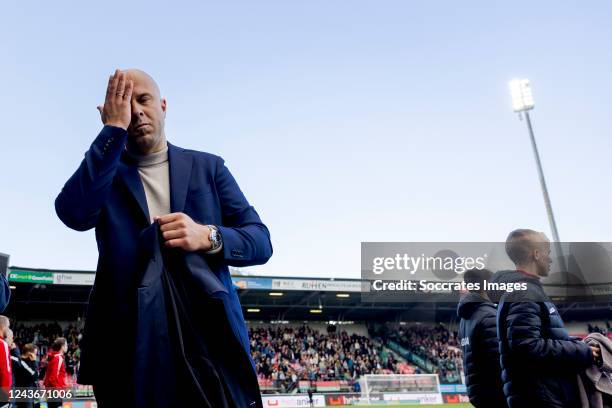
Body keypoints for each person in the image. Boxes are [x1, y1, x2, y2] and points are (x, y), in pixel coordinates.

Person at [55, 69, 272, 407]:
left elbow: (260, 240)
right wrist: (112, 131)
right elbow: (73, 214)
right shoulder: (104, 172)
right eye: (126, 104)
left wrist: (208, 236)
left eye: (143, 100)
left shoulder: (208, 167)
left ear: (163, 105)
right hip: (127, 345)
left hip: (207, 340)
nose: (137, 111)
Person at [495, 229, 600, 408]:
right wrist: (582, 352)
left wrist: (576, 344)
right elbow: (527, 346)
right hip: (542, 397)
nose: (550, 259)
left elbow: (539, 339)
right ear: (536, 254)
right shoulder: (525, 292)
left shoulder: (525, 290)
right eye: (548, 252)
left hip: (543, 394)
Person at [457, 268, 506, 407]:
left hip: (479, 392)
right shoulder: (489, 315)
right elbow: (499, 360)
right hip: (496, 394)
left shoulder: (466, 317)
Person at [13, 344, 40, 408]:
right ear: (29, 353)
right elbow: (35, 376)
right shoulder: (22, 362)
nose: (35, 356)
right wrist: (34, 361)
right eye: (35, 354)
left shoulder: (29, 361)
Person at [43, 338, 68, 408]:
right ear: (62, 346)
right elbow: (53, 377)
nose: (67, 347)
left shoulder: (54, 357)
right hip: (55, 392)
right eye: (66, 345)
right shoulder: (58, 358)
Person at [0, 317, 12, 407]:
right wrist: (6, 394)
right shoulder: (2, 344)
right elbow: (5, 371)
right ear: (3, 327)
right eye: (8, 327)